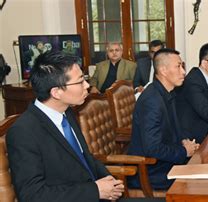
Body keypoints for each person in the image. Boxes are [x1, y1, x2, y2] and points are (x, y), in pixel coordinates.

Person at [6, 51, 124, 201]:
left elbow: (85, 157)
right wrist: (95, 191)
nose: (87, 85)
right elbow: (32, 195)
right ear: (56, 92)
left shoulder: (67, 111)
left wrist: (110, 181)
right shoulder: (23, 132)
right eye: (80, 81)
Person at [127, 48, 200, 190]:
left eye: (182, 66)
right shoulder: (152, 101)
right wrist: (184, 152)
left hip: (165, 162)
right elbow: (152, 148)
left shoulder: (166, 92)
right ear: (163, 70)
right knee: (200, 185)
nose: (184, 72)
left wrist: (184, 141)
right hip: (150, 172)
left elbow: (173, 127)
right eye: (178, 66)